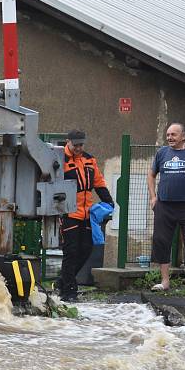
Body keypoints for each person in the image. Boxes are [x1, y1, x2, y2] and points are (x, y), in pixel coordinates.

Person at [56, 129, 114, 302]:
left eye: (81, 145)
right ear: (68, 142)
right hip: (68, 212)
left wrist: (109, 201)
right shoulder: (59, 159)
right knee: (71, 251)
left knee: (87, 249)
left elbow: (98, 182)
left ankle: (62, 282)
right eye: (76, 145)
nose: (79, 148)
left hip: (87, 212)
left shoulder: (89, 159)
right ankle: (69, 292)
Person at [147, 122, 185, 291]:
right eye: (168, 134)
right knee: (161, 241)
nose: (170, 138)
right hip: (164, 205)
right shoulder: (162, 153)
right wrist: (153, 197)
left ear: (183, 136)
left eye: (174, 134)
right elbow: (151, 175)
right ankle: (165, 282)